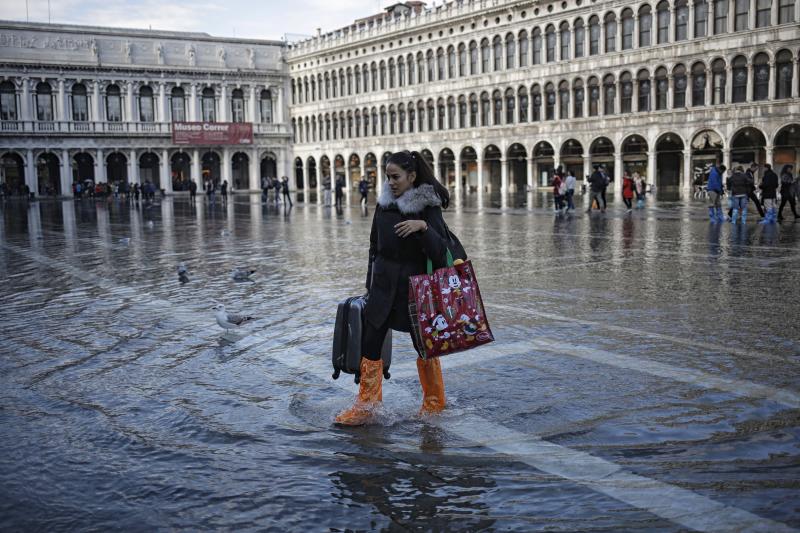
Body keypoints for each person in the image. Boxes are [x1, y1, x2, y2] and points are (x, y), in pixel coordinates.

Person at [334, 150, 465, 426]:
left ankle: (434, 403)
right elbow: (373, 246)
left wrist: (423, 228)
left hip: (415, 290)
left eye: (396, 177)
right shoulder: (383, 204)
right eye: (387, 177)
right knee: (371, 344)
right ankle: (366, 406)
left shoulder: (428, 207)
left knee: (424, 347)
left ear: (412, 176)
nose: (390, 182)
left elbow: (441, 253)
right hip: (383, 288)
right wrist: (369, 283)